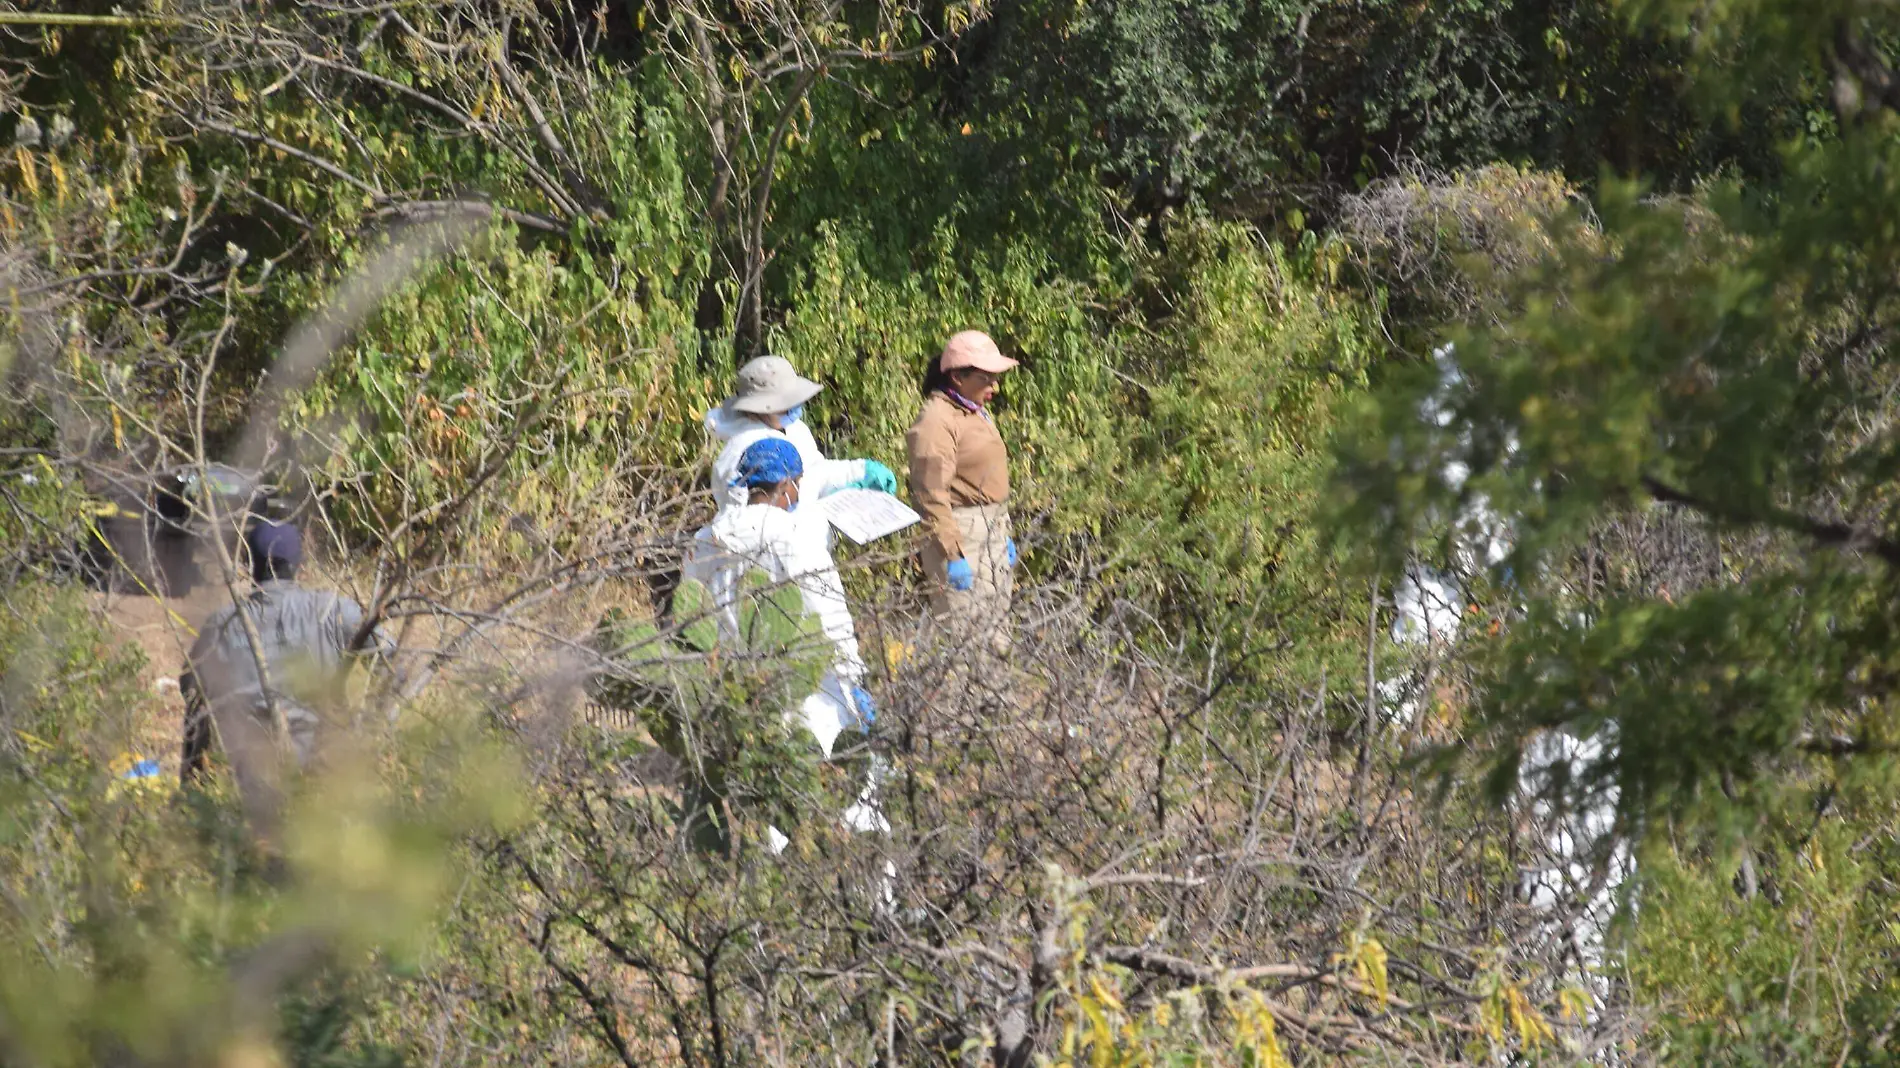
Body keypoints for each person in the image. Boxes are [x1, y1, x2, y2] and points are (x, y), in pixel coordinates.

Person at [683, 437, 886, 844]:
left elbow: (690, 613)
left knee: (770, 799)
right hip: (809, 686)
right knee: (852, 795)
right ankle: (873, 895)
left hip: (740, 689)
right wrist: (855, 680)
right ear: (789, 486)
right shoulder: (796, 537)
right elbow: (828, 614)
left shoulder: (706, 538)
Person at [180, 521, 390, 796]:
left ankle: (191, 799)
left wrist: (192, 781)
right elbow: (392, 667)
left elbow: (192, 691)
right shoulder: (336, 611)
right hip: (325, 779)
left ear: (250, 566)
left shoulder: (222, 624)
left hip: (249, 781)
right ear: (299, 566)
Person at [906, 330, 1020, 659]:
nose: (994, 388)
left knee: (997, 639)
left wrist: (1003, 531)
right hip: (960, 539)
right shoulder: (935, 422)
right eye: (987, 379)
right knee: (965, 646)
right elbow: (930, 495)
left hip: (992, 531)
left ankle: (994, 710)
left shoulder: (971, 410)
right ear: (957, 376)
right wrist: (953, 555)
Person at [705, 354, 899, 512]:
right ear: (761, 408)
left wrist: (859, 471)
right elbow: (760, 519)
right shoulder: (741, 453)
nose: (793, 409)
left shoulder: (793, 429)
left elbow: (814, 470)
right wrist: (818, 506)